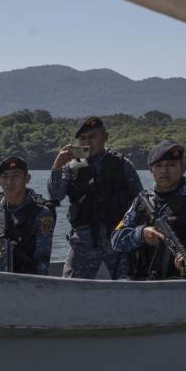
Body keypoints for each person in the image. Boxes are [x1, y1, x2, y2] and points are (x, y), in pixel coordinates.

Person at [48, 116, 142, 279]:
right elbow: (55, 196)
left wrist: (133, 234)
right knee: (70, 287)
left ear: (104, 137)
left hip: (116, 237)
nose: (87, 142)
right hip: (83, 239)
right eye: (83, 138)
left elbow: (139, 202)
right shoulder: (70, 166)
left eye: (92, 137)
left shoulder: (122, 164)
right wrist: (56, 167)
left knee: (127, 283)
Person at [111, 140, 186, 280]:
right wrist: (141, 234)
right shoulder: (142, 200)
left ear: (183, 168)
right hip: (144, 283)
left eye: (171, 165)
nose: (164, 171)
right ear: (151, 169)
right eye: (158, 166)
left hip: (184, 284)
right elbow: (116, 240)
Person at [0, 156, 55, 275]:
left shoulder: (41, 213)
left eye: (16, 176)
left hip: (26, 283)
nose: (9, 182)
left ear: (27, 178)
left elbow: (42, 260)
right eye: (5, 176)